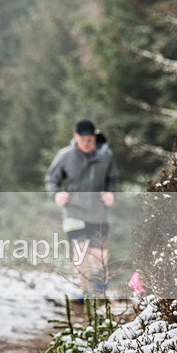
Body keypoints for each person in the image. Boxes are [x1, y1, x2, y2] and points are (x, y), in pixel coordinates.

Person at [46, 119, 119, 300]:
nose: (87, 143)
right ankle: (84, 290)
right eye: (84, 139)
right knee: (80, 251)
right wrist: (56, 195)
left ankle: (99, 285)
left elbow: (113, 180)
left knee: (99, 254)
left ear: (95, 137)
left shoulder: (105, 156)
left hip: (98, 213)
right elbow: (51, 180)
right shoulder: (65, 156)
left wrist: (111, 194)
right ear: (75, 136)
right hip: (73, 212)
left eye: (91, 139)